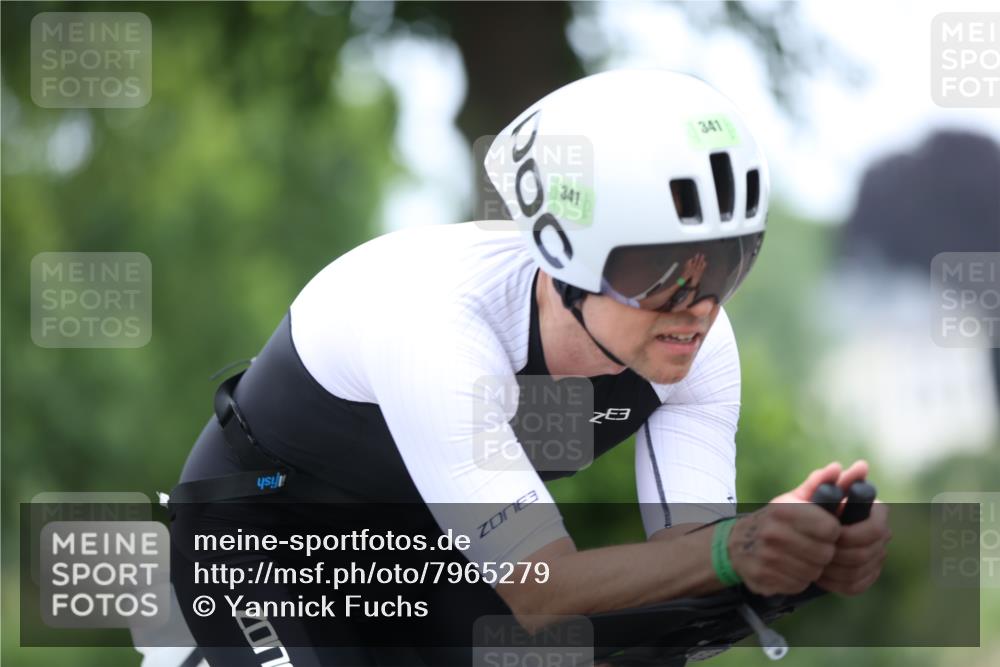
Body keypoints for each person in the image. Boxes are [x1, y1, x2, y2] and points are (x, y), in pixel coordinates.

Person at [165, 69, 891, 667]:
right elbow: (540, 588)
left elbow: (688, 566)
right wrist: (739, 550)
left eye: (726, 265)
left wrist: (804, 559)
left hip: (432, 551)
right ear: (564, 262)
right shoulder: (439, 325)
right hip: (263, 544)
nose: (696, 308)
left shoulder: (697, 344)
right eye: (657, 272)